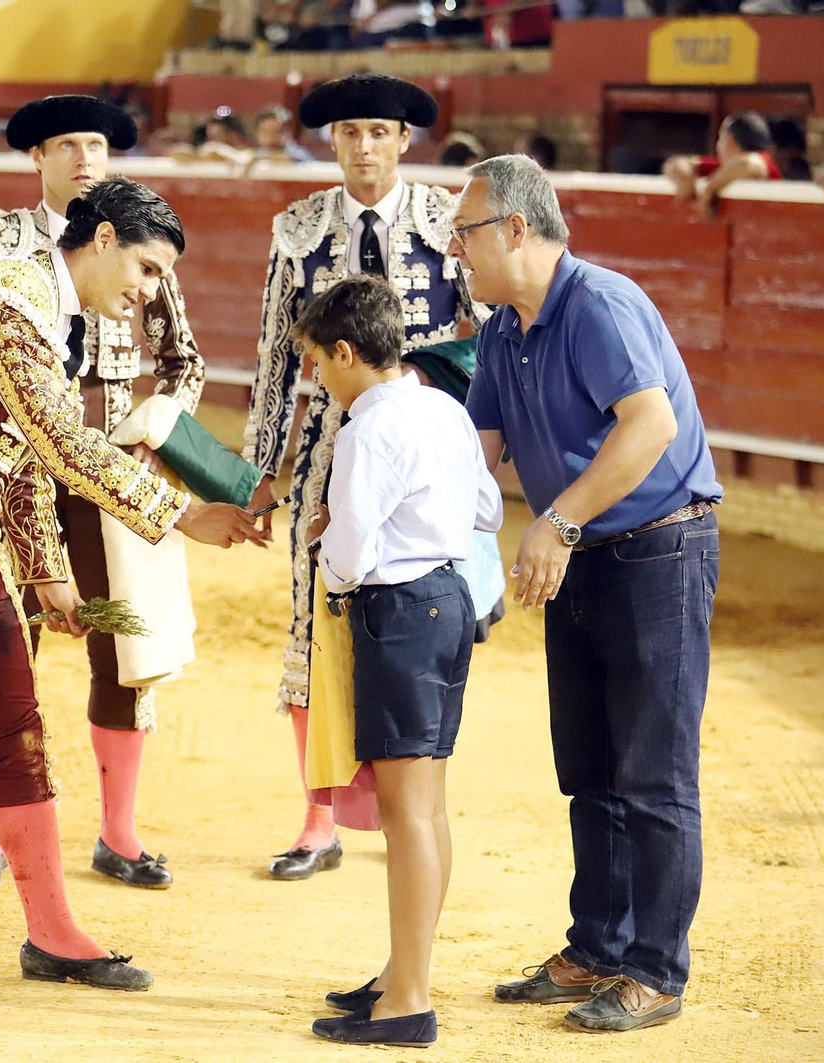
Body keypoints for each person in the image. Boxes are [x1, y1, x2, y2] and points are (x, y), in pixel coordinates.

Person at [0, 176, 266, 990]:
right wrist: (180, 512)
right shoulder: (9, 295)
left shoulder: (50, 313)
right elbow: (59, 441)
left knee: (16, 722)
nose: (148, 292)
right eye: (146, 269)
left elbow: (23, 452)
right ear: (103, 239)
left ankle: (52, 932)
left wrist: (45, 567)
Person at [452, 155, 722, 1033]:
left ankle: (657, 970)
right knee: (591, 766)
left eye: (465, 232)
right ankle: (599, 947)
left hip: (656, 549)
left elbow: (652, 423)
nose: (456, 249)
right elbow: (476, 454)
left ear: (516, 229)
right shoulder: (502, 330)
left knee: (653, 770)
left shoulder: (600, 303)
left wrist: (558, 521)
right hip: (580, 556)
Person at [0, 96, 208, 891]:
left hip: (110, 471)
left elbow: (184, 361)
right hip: (12, 465)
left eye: (96, 143)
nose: (85, 157)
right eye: (67, 144)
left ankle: (118, 831)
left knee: (122, 645)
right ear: (38, 157)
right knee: (5, 642)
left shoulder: (137, 243)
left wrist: (156, 427)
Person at [243, 72, 490, 882]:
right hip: (328, 449)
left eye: (379, 131)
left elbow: (492, 332)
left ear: (404, 139)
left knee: (416, 610)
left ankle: (407, 798)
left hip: (421, 445)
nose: (364, 146)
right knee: (316, 623)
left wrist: (484, 443)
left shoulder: (444, 220)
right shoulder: (299, 229)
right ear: (332, 140)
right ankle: (320, 817)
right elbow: (276, 360)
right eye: (349, 131)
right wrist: (259, 471)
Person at [300, 276, 501, 1048]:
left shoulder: (368, 429)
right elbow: (485, 510)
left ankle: (408, 1000)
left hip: (399, 615)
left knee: (407, 813)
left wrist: (329, 547)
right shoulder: (443, 408)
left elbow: (349, 557)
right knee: (428, 806)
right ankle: (400, 974)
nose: (319, 374)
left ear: (347, 352)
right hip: (449, 601)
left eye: (320, 359)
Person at [663, 111, 780, 215]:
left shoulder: (762, 161)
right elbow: (677, 162)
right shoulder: (727, 169)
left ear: (729, 141)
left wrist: (708, 190)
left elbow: (748, 164)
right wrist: (684, 177)